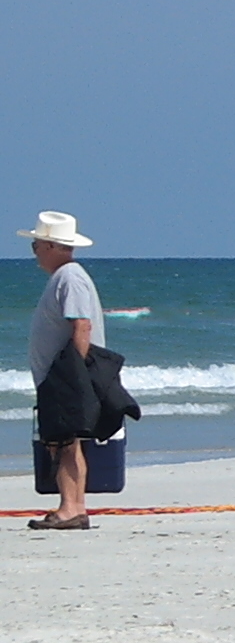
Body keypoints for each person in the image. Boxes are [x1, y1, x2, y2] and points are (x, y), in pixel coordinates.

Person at [32, 212, 107, 529]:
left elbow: (81, 325)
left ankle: (71, 508)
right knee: (66, 441)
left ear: (50, 245)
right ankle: (73, 506)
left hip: (66, 376)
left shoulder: (70, 277)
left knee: (64, 442)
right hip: (61, 376)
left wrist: (73, 373)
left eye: (36, 244)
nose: (34, 249)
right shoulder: (65, 277)